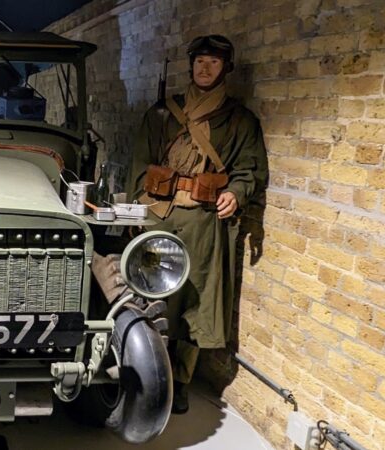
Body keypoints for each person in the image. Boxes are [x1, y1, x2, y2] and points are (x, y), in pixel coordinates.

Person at [128, 34, 268, 414]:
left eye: (214, 63)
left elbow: (250, 168)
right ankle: (141, 374)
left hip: (205, 223)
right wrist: (135, 214)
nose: (205, 69)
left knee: (194, 301)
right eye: (200, 61)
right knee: (151, 298)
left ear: (225, 69)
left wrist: (236, 192)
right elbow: (138, 165)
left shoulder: (238, 120)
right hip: (159, 217)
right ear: (191, 66)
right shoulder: (161, 114)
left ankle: (180, 379)